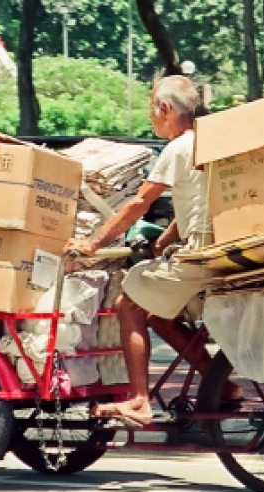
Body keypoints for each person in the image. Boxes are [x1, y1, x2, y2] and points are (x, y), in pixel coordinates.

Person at [63, 75, 238, 427]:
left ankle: (140, 400)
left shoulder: (178, 148)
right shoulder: (209, 144)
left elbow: (140, 201)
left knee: (128, 303)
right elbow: (198, 202)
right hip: (216, 247)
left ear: (166, 109)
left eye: (151, 110)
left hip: (199, 255)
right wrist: (164, 240)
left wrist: (92, 243)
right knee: (159, 311)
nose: (150, 118)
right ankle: (220, 384)